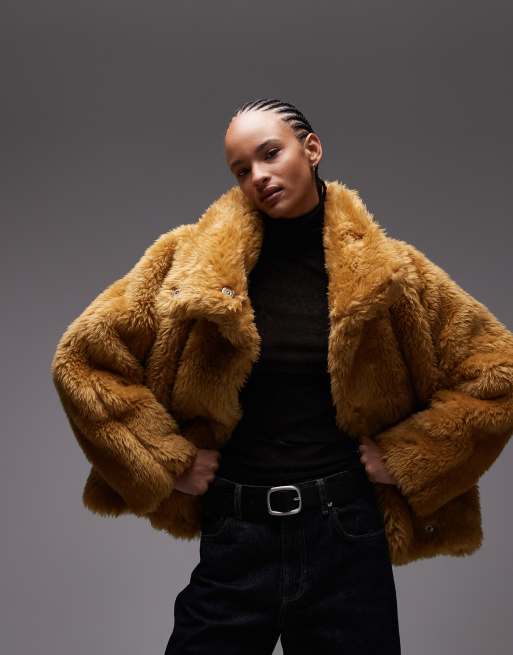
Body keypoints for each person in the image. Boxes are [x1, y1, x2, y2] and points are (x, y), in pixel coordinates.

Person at [51, 98, 513, 654]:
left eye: (270, 154)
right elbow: (81, 360)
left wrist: (409, 456)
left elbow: (499, 369)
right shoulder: (188, 263)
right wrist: (163, 461)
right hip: (237, 533)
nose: (259, 177)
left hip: (346, 535)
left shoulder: (393, 272)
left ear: (311, 149)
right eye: (241, 169)